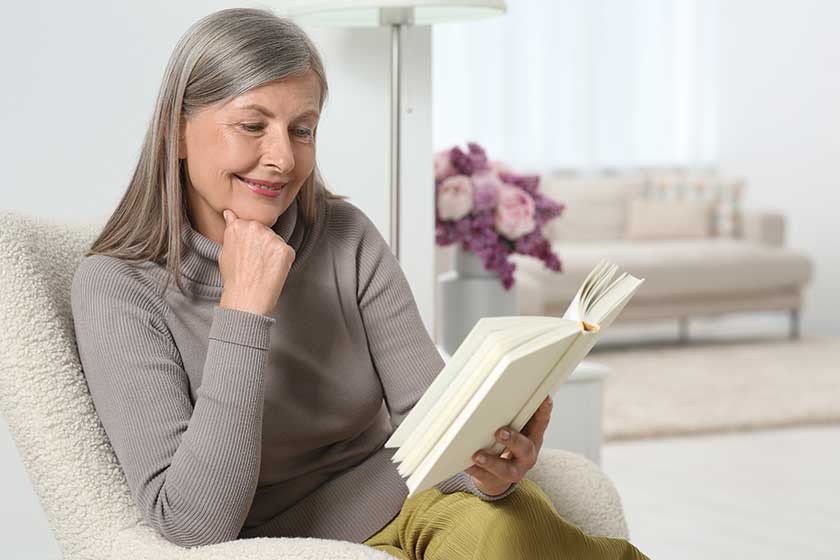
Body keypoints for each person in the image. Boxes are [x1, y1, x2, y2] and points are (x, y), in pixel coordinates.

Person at [70, 7, 650, 559]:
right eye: (252, 125)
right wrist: (244, 311)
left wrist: (491, 471)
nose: (281, 158)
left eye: (302, 130)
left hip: (418, 501)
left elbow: (429, 420)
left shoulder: (343, 236)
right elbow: (194, 525)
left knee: (506, 534)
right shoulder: (116, 287)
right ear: (177, 130)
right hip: (285, 543)